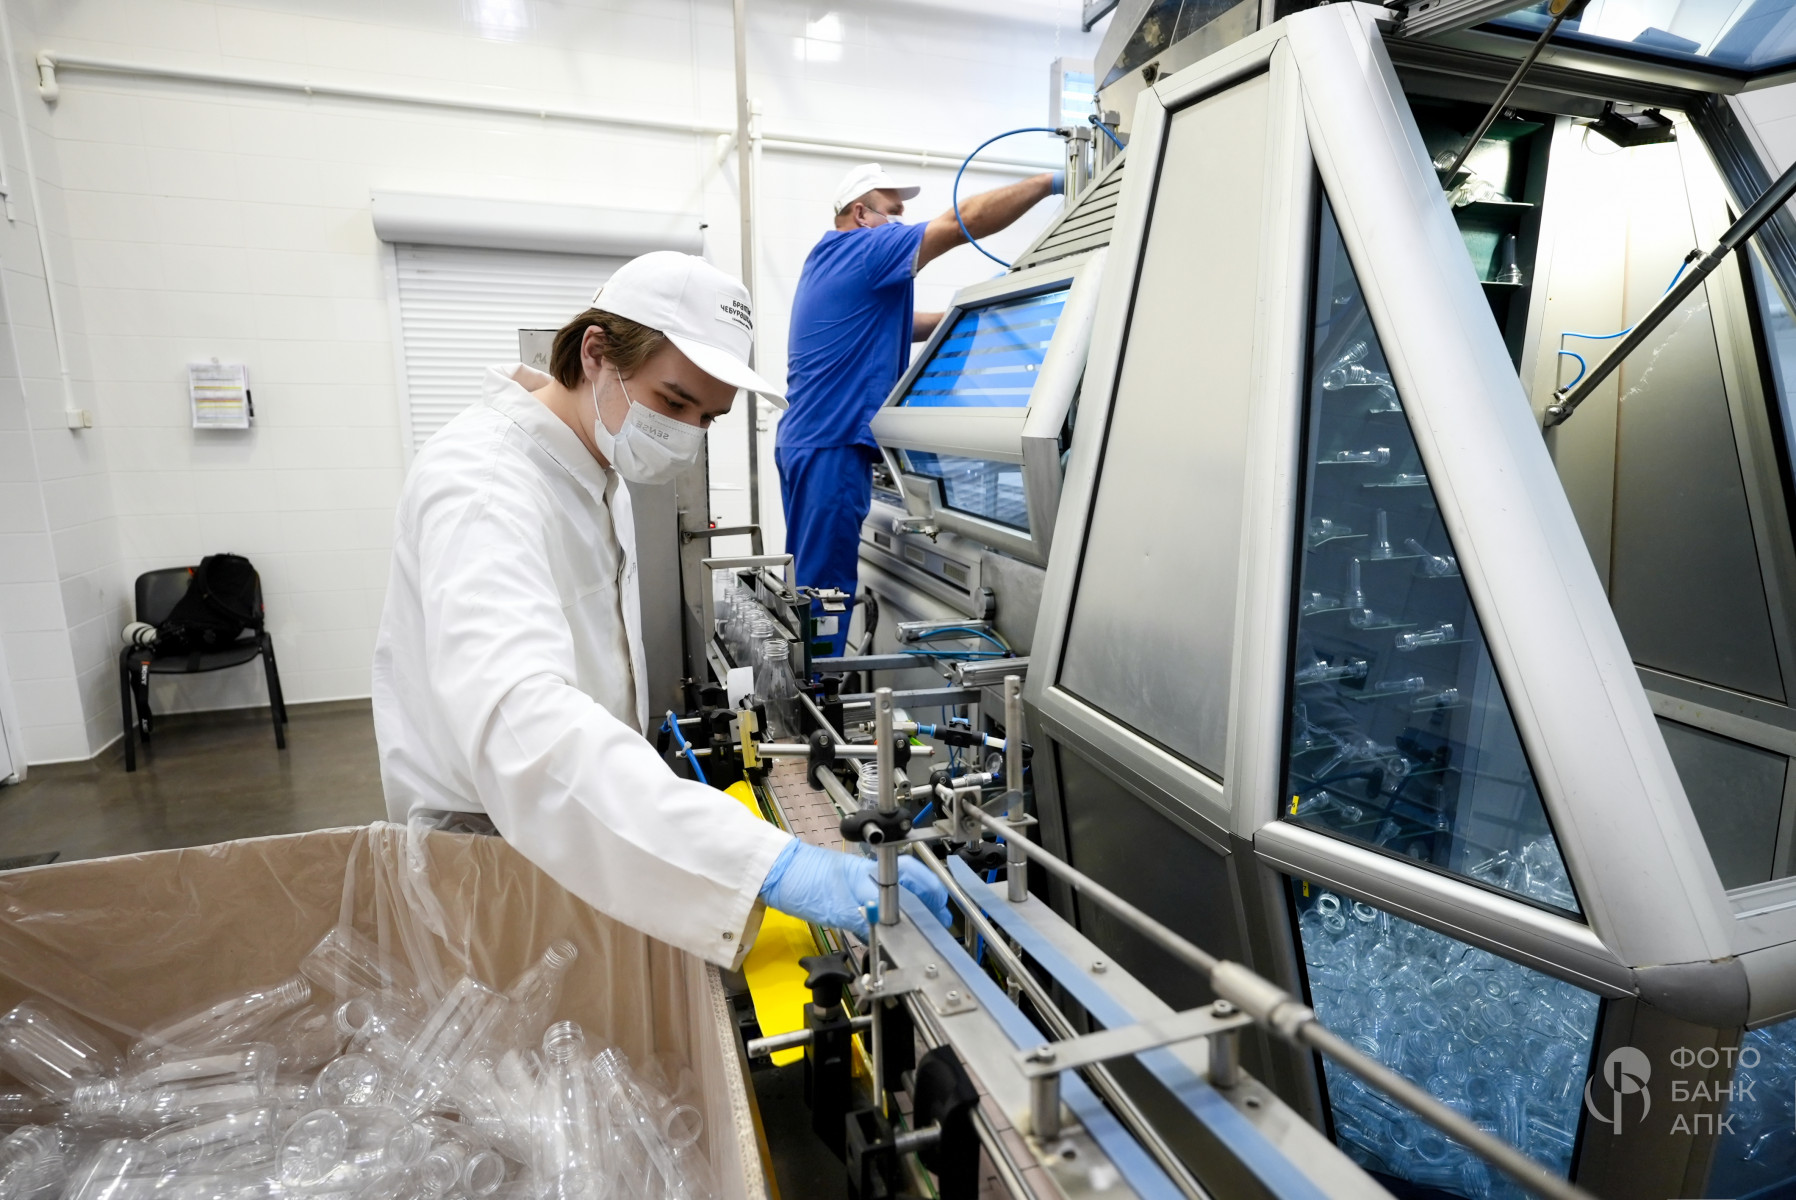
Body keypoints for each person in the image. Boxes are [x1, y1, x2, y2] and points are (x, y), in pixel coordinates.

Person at [372, 251, 948, 969]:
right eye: (674, 403)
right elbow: (524, 727)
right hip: (492, 848)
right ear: (595, 353)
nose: (686, 433)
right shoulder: (484, 486)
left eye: (708, 417)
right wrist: (769, 864)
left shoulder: (588, 466)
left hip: (574, 819)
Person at [775, 162, 1061, 652]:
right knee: (826, 595)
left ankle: (807, 673)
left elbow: (901, 326)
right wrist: (1048, 184)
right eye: (894, 212)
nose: (900, 222)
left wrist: (969, 309)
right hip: (832, 446)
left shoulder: (828, 259)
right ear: (861, 214)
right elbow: (962, 222)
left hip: (806, 441)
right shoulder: (866, 249)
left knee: (810, 584)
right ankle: (815, 690)